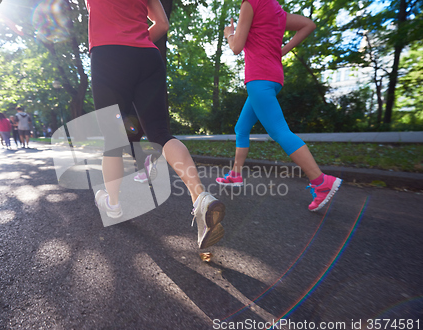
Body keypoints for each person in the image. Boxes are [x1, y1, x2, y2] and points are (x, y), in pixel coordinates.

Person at [87, 0, 226, 249]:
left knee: (113, 137)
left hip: (108, 55)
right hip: (147, 56)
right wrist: (135, 43)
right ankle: (200, 198)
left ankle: (114, 205)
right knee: (161, 134)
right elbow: (162, 24)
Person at [216, 0, 342, 212]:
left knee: (279, 131)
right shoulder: (275, 9)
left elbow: (236, 47)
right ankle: (236, 175)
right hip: (273, 78)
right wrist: (281, 51)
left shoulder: (251, 4)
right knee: (241, 128)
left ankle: (321, 182)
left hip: (258, 78)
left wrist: (230, 32)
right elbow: (308, 24)